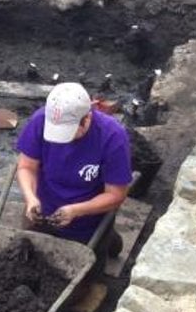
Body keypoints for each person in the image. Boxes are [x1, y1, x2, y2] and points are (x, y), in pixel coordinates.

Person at [15, 82, 132, 251]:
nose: (62, 140)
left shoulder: (112, 137)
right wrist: (31, 198)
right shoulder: (40, 121)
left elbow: (115, 195)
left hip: (88, 217)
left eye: (68, 132)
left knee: (87, 267)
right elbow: (26, 167)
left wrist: (76, 210)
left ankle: (109, 240)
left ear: (87, 118)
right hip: (44, 208)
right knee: (27, 254)